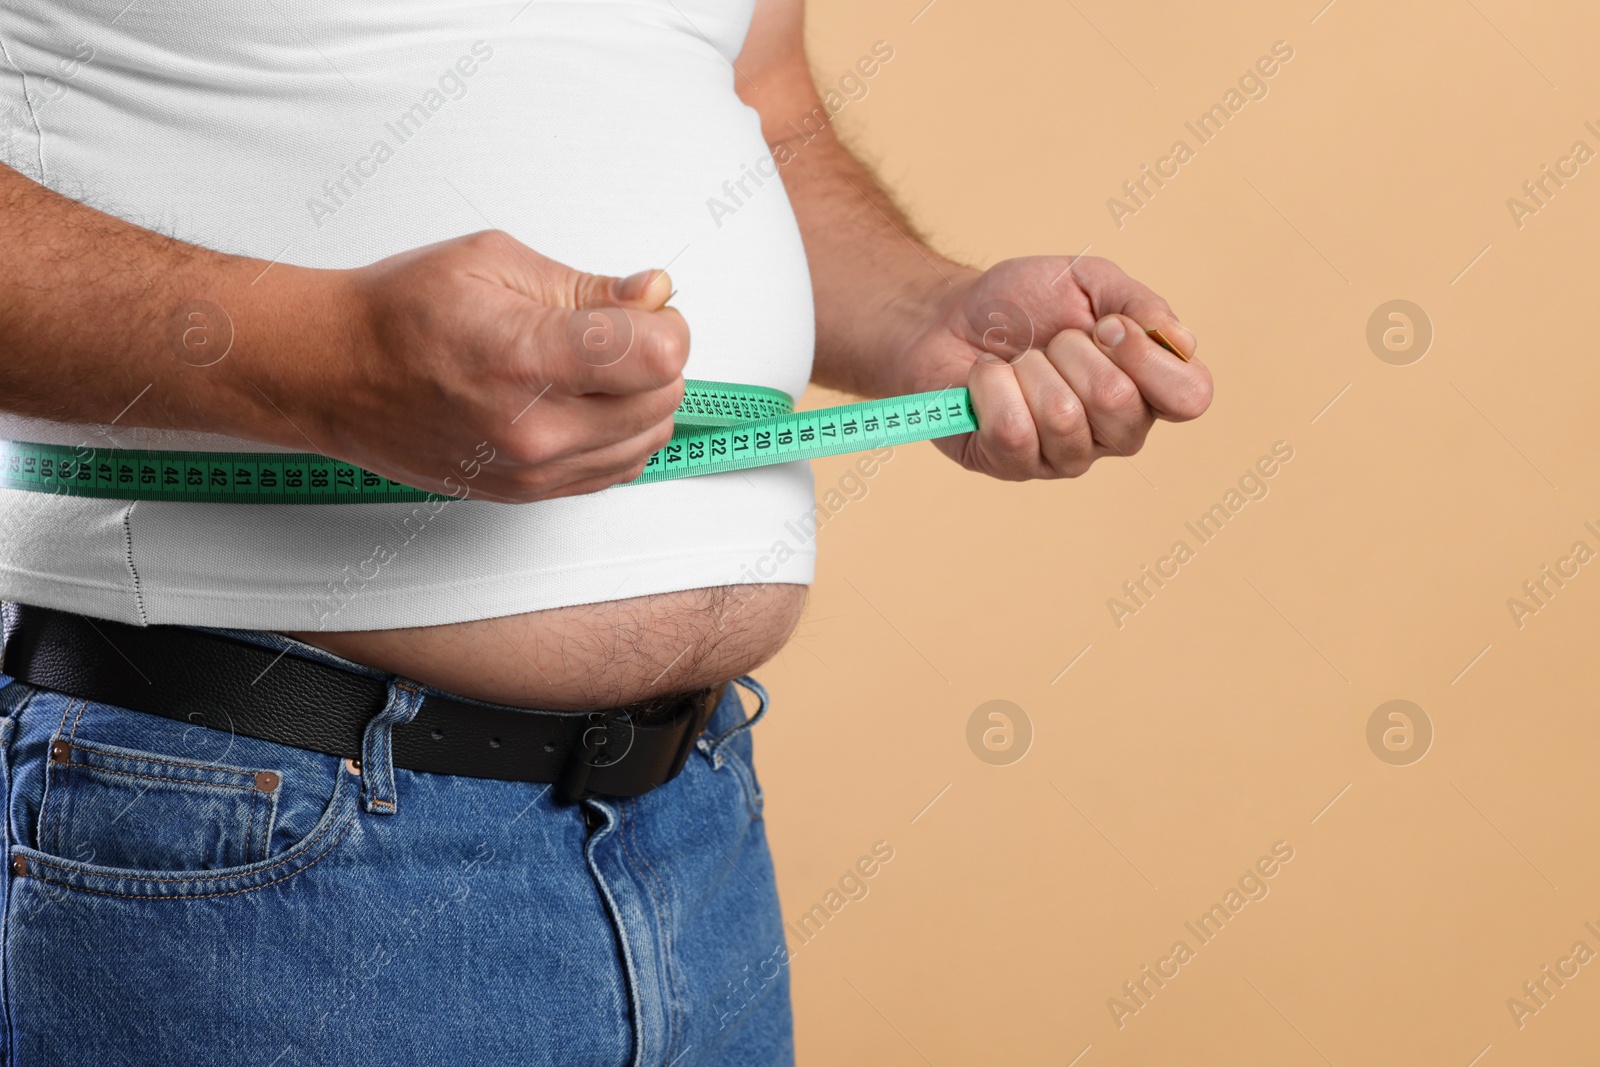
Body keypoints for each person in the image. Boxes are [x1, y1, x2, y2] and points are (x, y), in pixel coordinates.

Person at [0, 0, 1212, 1063]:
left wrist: (920, 309)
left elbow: (750, 91)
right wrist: (321, 357)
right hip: (249, 821)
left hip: (695, 828)